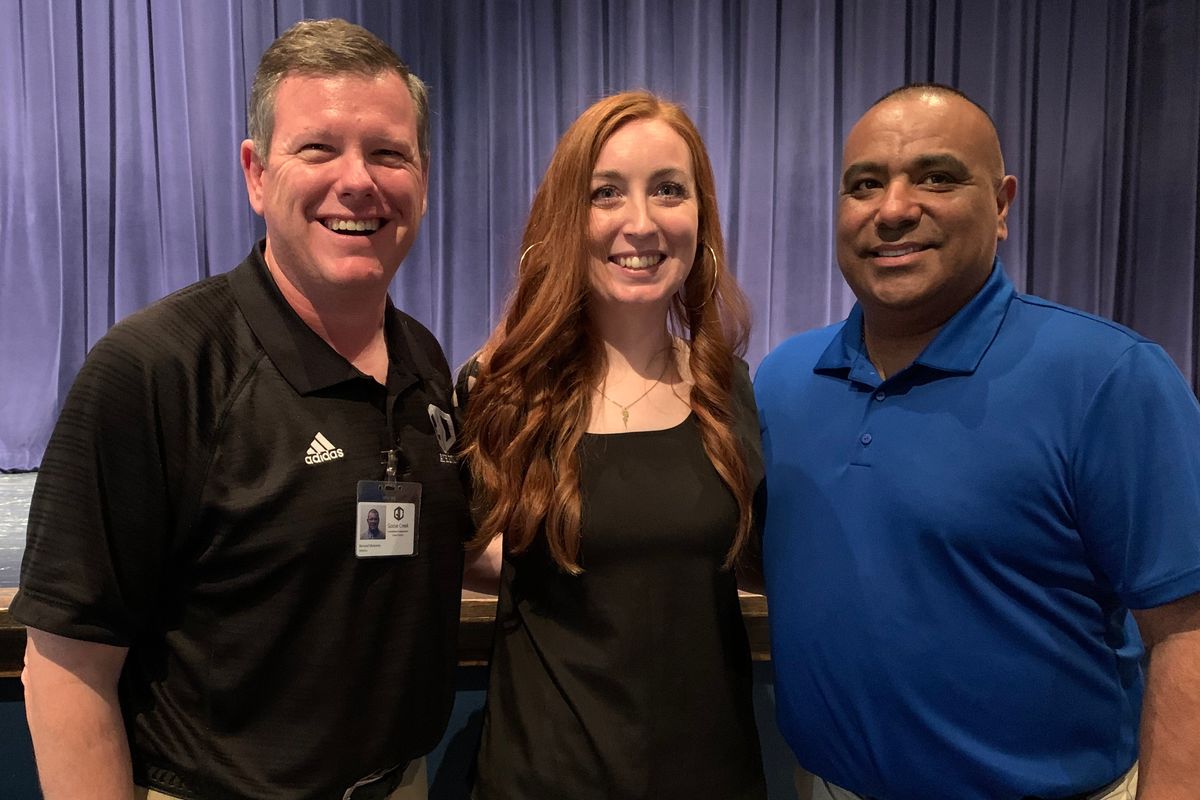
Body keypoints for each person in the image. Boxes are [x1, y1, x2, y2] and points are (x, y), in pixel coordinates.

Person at [13, 19, 470, 800]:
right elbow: (64, 665)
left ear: (422, 179)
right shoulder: (153, 369)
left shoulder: (425, 361)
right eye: (318, 148)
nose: (357, 180)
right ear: (257, 174)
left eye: (389, 153)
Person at [755, 82, 1200, 800]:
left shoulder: (1110, 378)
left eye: (936, 176)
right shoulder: (779, 383)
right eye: (864, 184)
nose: (894, 210)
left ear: (1001, 205)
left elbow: (1188, 630)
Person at [459, 90, 768, 799]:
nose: (641, 222)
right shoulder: (498, 390)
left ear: (702, 216)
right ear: (569, 217)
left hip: (711, 776)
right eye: (606, 193)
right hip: (540, 781)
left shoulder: (729, 387)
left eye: (669, 190)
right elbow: (460, 546)